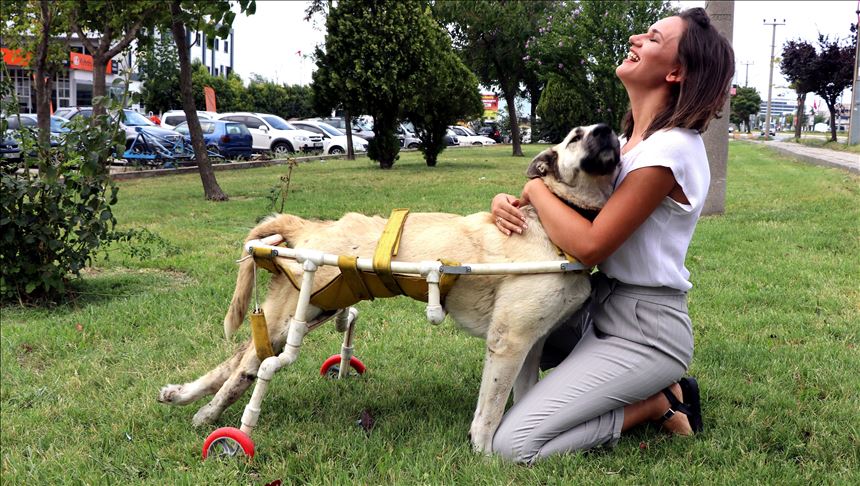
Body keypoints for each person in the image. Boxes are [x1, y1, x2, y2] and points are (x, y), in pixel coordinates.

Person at [489, 8, 734, 463]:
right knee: (517, 321)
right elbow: (569, 205)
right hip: (595, 303)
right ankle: (643, 388)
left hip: (645, 329)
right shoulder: (627, 145)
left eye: (654, 38)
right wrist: (511, 202)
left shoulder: (670, 149)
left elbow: (591, 243)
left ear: (677, 71)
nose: (637, 37)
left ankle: (655, 402)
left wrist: (532, 187)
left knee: (513, 446)